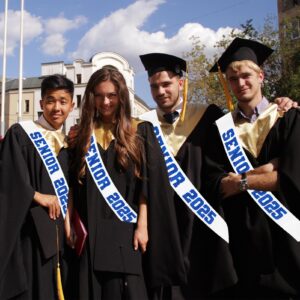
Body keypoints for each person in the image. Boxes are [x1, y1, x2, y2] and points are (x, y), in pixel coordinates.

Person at [139, 52, 298, 300]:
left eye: (166, 83)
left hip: (209, 228)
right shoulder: (144, 126)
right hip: (169, 227)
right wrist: (267, 169)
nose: (160, 91)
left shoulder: (208, 117)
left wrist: (245, 180)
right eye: (154, 86)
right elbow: (218, 179)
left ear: (181, 83)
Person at [66, 66, 185, 300]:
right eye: (99, 96)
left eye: (112, 95)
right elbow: (72, 185)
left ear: (121, 96)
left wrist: (143, 225)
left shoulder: (140, 131)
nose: (106, 102)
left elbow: (148, 186)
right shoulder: (81, 136)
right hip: (92, 231)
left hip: (127, 230)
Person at [205, 37, 300, 298]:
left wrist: (243, 181)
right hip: (241, 245)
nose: (240, 84)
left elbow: (293, 176)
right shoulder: (220, 131)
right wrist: (269, 169)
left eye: (246, 76)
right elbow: (217, 184)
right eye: (233, 79)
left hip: (286, 240)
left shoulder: (288, 117)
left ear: (261, 75)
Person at [0, 74, 75, 299]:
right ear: (41, 104)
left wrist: (69, 224)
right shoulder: (20, 133)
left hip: (59, 230)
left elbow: (72, 190)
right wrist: (37, 196)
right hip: (30, 229)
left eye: (63, 101)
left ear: (72, 105)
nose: (56, 107)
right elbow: (7, 177)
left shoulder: (69, 145)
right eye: (50, 101)